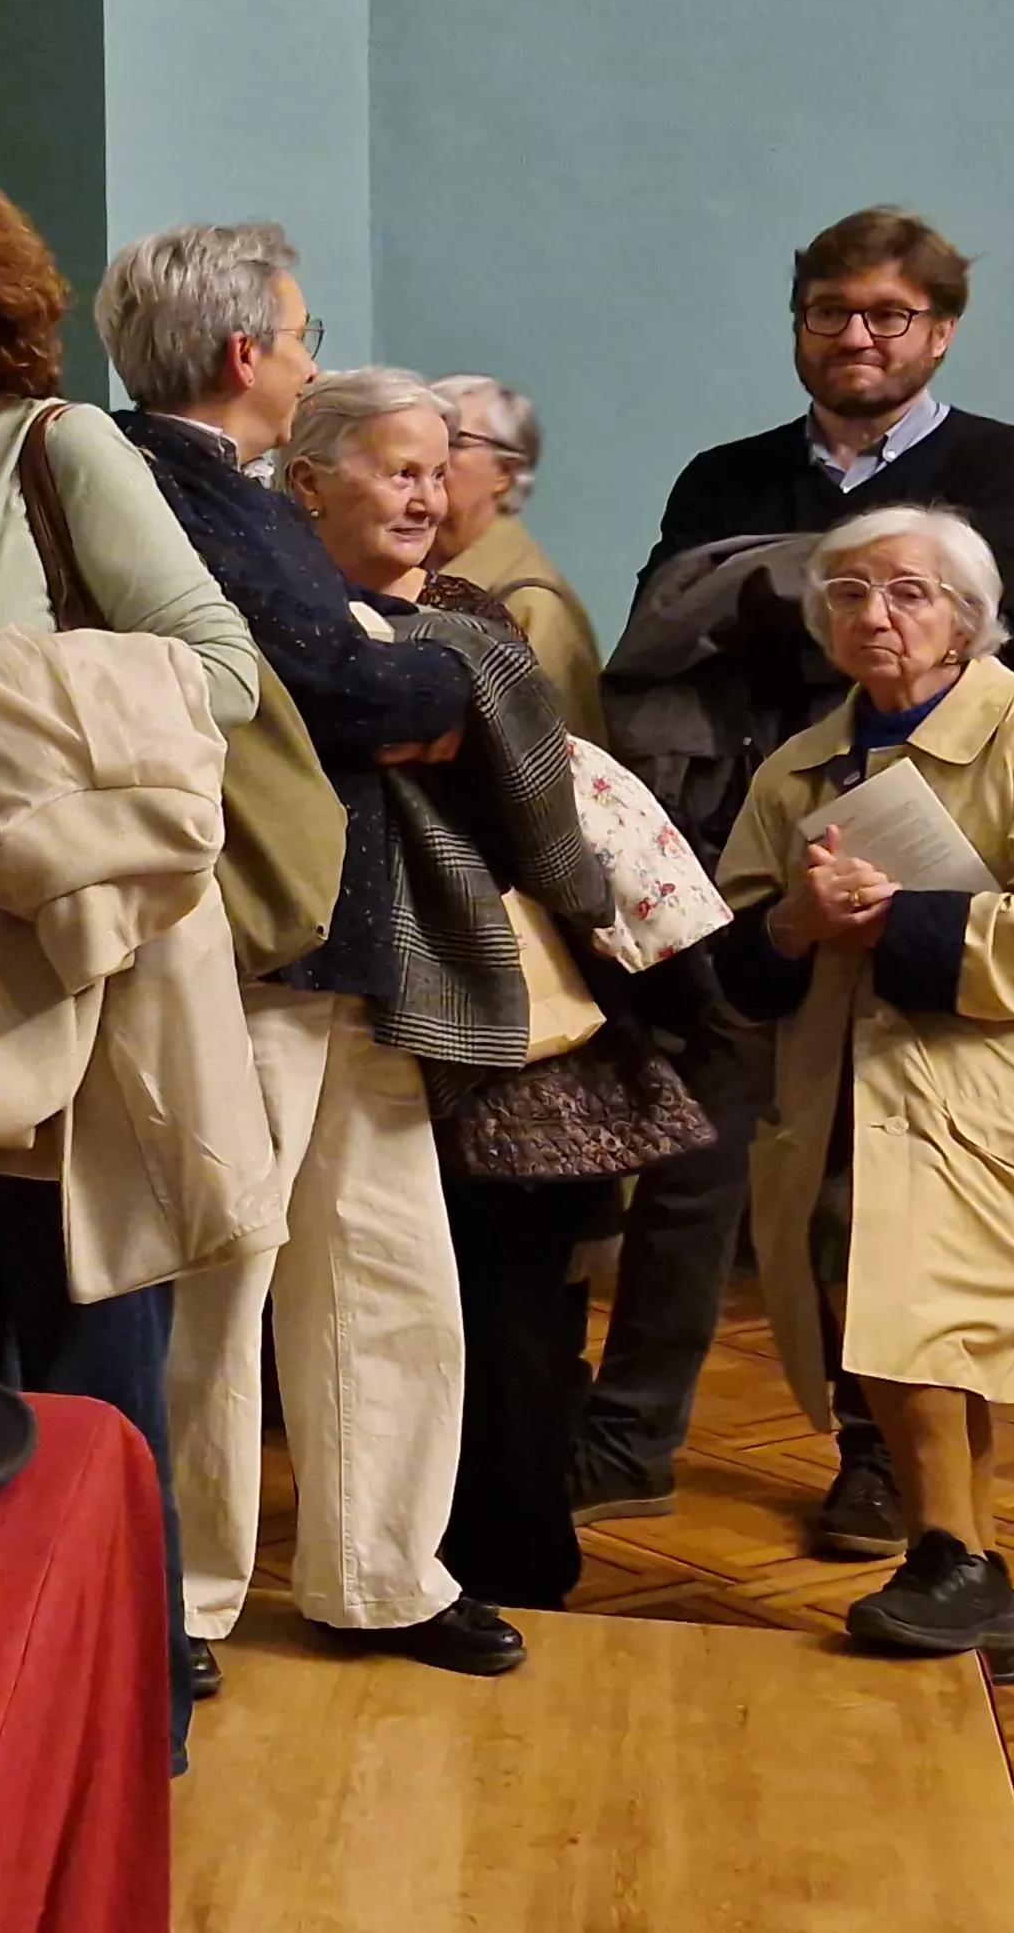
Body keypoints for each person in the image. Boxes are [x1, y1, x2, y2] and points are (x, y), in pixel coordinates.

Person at [0, 150, 258, 1765]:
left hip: (48, 971)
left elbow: (218, 672)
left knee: (89, 1373)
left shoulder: (57, 448)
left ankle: (127, 1726)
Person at [580, 207, 1014, 1559]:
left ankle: (874, 1456)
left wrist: (760, 587)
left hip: (916, 840)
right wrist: (824, 586)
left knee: (868, 1173)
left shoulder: (1002, 460)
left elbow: (958, 631)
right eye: (829, 311)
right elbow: (663, 627)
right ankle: (626, 1437)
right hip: (740, 836)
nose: (855, 335)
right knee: (690, 1152)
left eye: (887, 314)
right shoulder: (723, 471)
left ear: (940, 331)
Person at [99, 230, 526, 1682]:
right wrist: (446, 670)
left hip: (335, 937)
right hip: (240, 941)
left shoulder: (218, 488)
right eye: (300, 334)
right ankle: (186, 1592)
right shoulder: (163, 484)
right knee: (221, 1272)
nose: (306, 357)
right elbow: (334, 682)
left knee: (390, 1265)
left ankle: (383, 1572)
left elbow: (347, 673)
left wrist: (407, 671)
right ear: (244, 354)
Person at [711, 504, 1014, 1683]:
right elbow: (738, 954)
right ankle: (970, 1577)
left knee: (911, 1305)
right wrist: (797, 920)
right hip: (846, 1088)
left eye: (907, 591)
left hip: (993, 1085)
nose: (875, 614)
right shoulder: (795, 769)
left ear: (967, 618)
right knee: (899, 1310)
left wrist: (896, 922)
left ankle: (951, 1557)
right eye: (848, 592)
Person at [276, 371, 688, 1614]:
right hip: (339, 1004)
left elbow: (543, 820)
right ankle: (399, 1553)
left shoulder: (470, 618)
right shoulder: (284, 622)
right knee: (380, 1301)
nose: (423, 495)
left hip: (505, 1030)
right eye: (395, 470)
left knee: (510, 1310)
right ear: (307, 485)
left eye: (433, 471)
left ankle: (515, 1565)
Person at [428, 374, 605, 741]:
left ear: (504, 474)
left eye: (450, 440)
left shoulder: (530, 603)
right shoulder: (406, 571)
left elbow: (545, 753)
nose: (427, 454)